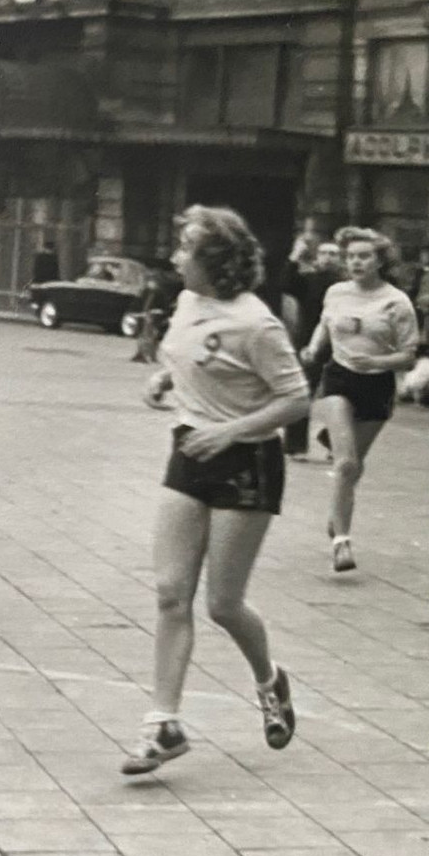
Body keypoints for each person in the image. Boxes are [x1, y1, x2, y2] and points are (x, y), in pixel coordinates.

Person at [123, 205, 308, 776]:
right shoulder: (185, 302)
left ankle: (269, 680)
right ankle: (163, 725)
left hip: (247, 461)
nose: (176, 256)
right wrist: (163, 380)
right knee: (169, 593)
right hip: (190, 453)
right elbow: (186, 360)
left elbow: (295, 399)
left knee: (223, 604)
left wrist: (228, 430)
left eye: (186, 249)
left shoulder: (257, 324)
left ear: (215, 262)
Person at [301, 226, 419, 572]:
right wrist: (313, 346)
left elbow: (409, 356)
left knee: (352, 467)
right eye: (351, 256)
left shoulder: (396, 302)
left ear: (380, 260)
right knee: (346, 464)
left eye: (364, 256)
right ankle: (342, 544)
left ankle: (336, 513)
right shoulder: (336, 292)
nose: (356, 262)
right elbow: (325, 324)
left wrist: (378, 362)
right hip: (338, 378)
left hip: (377, 386)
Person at [282, 239, 343, 458]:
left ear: (340, 258)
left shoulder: (347, 283)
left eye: (334, 253)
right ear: (317, 258)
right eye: (324, 253)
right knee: (303, 393)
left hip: (342, 346)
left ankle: (334, 441)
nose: (328, 257)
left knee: (343, 397)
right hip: (310, 343)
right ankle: (295, 445)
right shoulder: (308, 280)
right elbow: (286, 282)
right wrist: (294, 257)